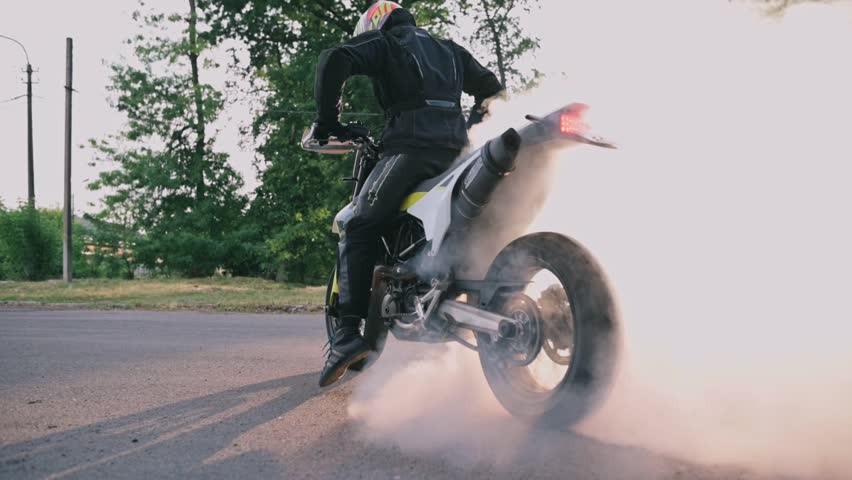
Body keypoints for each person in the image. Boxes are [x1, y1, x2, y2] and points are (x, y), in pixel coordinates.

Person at [310, 1, 503, 387]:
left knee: (360, 224)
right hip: (457, 156)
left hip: (410, 151)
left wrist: (327, 122)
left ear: (377, 24)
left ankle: (347, 334)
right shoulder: (449, 50)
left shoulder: (388, 43)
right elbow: (493, 90)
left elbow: (334, 59)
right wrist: (470, 124)